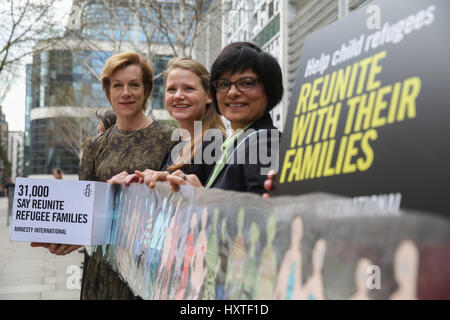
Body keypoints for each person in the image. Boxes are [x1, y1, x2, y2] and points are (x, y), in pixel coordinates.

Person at [32, 51, 177, 300]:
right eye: (117, 85)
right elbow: (83, 213)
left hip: (151, 271)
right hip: (102, 272)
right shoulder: (94, 147)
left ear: (147, 89)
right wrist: (67, 237)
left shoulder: (171, 139)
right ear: (107, 90)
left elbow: (174, 210)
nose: (126, 93)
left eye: (134, 84)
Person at [166, 42, 283, 195]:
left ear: (269, 88)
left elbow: (262, 213)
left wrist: (201, 197)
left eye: (247, 83)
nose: (232, 92)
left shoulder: (264, 141)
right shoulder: (237, 143)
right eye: (223, 84)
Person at [109, 57, 225, 188]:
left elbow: (221, 203)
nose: (177, 96)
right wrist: (135, 183)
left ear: (209, 96)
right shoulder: (176, 145)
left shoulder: (215, 142)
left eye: (188, 88)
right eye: (171, 89)